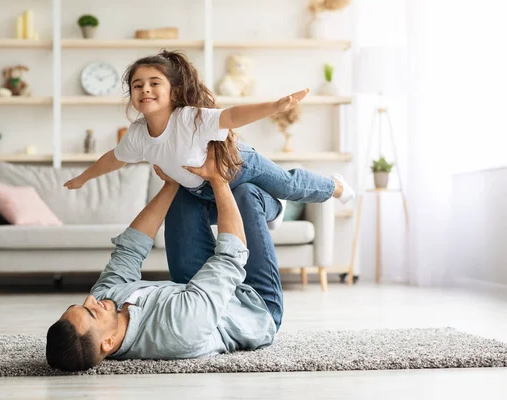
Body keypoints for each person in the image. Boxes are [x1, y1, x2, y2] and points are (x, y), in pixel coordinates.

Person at [63, 49, 354, 230]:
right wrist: (84, 178)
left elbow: (232, 116)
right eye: (137, 86)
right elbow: (113, 159)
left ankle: (335, 186)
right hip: (204, 189)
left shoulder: (189, 118)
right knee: (219, 214)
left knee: (289, 185)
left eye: (154, 83)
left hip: (240, 164)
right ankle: (270, 211)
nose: (145, 90)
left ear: (174, 92)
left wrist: (274, 107)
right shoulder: (138, 134)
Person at [46, 148, 278, 372]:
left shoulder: (105, 301)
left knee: (183, 193)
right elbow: (230, 258)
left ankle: (226, 203)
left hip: (195, 290)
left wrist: (170, 184)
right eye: (91, 312)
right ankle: (277, 207)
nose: (90, 299)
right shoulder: (179, 329)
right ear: (107, 343)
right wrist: (219, 180)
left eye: (79, 304)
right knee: (246, 194)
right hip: (254, 304)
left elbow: (129, 250)